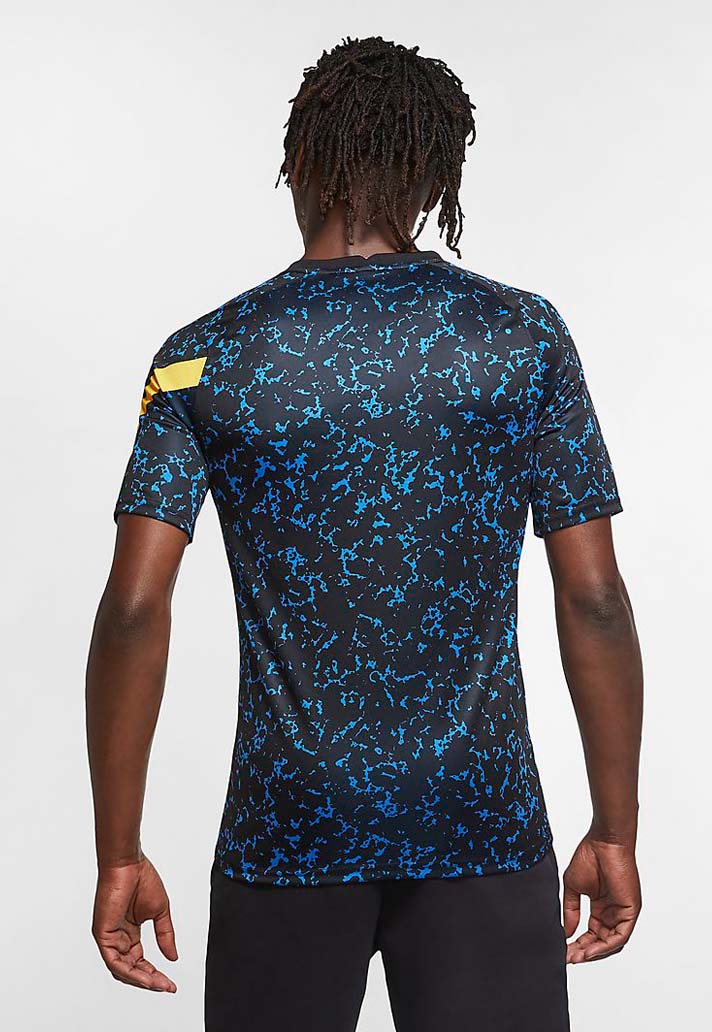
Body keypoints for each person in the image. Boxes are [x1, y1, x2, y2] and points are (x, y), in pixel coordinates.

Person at [86, 36, 643, 1032]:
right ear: (433, 178)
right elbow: (594, 597)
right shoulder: (522, 339)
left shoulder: (203, 358)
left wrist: (118, 853)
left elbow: (133, 608)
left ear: (298, 160)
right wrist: (615, 829)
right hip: (481, 817)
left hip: (286, 824)